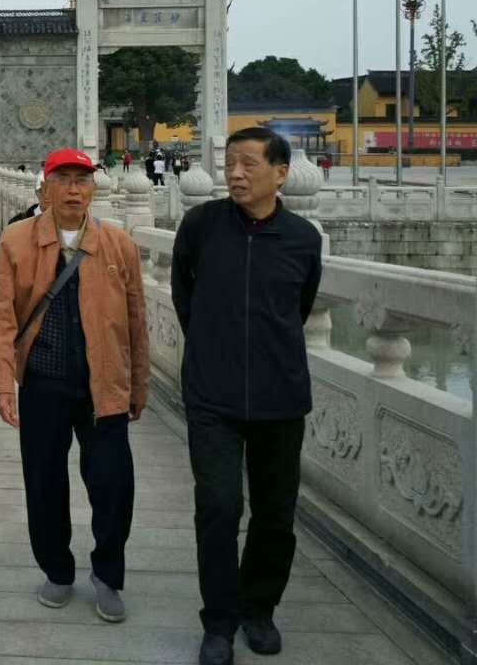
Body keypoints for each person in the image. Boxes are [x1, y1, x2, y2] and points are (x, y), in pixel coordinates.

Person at [171, 127, 322, 665]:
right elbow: (184, 295)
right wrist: (212, 349)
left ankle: (259, 609)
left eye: (248, 164)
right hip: (213, 395)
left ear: (281, 173)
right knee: (218, 506)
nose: (235, 173)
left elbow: (298, 308)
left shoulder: (302, 238)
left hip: (281, 396)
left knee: (275, 513)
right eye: (230, 163)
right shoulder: (201, 225)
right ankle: (218, 622)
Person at [0, 148, 150, 625]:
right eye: (64, 180)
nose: (74, 190)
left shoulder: (118, 243)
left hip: (105, 386)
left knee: (113, 484)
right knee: (43, 481)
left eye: (82, 180)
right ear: (46, 187)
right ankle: (57, 569)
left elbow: (136, 320)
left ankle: (108, 575)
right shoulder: (17, 240)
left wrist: (139, 385)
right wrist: (2, 384)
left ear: (94, 188)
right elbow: (0, 315)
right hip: (44, 383)